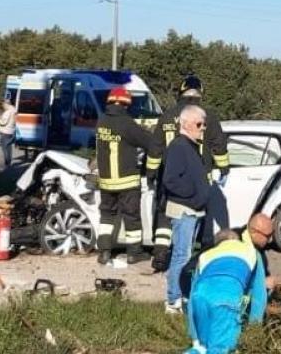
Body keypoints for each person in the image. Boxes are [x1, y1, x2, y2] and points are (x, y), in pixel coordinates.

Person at [149, 74, 232, 267]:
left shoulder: (167, 116)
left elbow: (155, 148)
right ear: (200, 93)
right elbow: (219, 145)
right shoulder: (207, 116)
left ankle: (161, 253)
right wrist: (224, 168)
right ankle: (195, 258)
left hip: (168, 176)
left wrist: (151, 173)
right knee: (197, 216)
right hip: (197, 178)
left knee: (164, 214)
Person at [96, 85, 158, 267]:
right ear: (126, 104)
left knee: (107, 216)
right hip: (127, 180)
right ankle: (134, 253)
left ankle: (104, 252)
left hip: (106, 181)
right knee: (131, 217)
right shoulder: (126, 123)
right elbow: (150, 142)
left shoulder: (102, 121)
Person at [183, 228, 268, 354]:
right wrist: (253, 333)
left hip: (199, 299)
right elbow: (258, 297)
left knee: (201, 348)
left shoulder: (205, 256)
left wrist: (194, 337)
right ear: (235, 239)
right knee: (221, 350)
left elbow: (191, 300)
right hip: (226, 300)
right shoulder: (251, 252)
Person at [163, 104, 212, 314]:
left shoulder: (191, 146)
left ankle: (182, 295)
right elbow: (170, 180)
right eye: (199, 124)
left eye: (204, 124)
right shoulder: (178, 146)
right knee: (181, 256)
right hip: (184, 211)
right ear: (186, 124)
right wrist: (193, 194)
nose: (203, 128)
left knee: (187, 255)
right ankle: (173, 300)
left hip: (193, 211)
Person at [0, 100, 16, 169]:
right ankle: (9, 162)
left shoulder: (8, 112)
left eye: (3, 105)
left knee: (4, 148)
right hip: (11, 131)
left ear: (6, 104)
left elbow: (3, 122)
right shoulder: (14, 110)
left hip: (5, 131)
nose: (3, 106)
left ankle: (7, 163)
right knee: (9, 148)